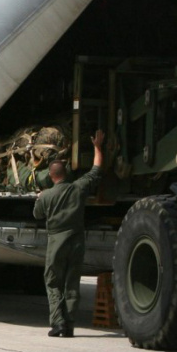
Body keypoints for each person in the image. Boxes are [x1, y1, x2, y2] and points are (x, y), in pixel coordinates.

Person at [33, 129, 105, 338]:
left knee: (53, 282)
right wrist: (97, 147)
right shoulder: (78, 188)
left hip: (56, 242)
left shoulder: (46, 196)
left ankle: (58, 324)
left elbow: (37, 215)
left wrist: (40, 198)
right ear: (65, 174)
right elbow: (96, 170)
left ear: (51, 176)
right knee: (72, 283)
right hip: (76, 241)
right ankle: (70, 324)